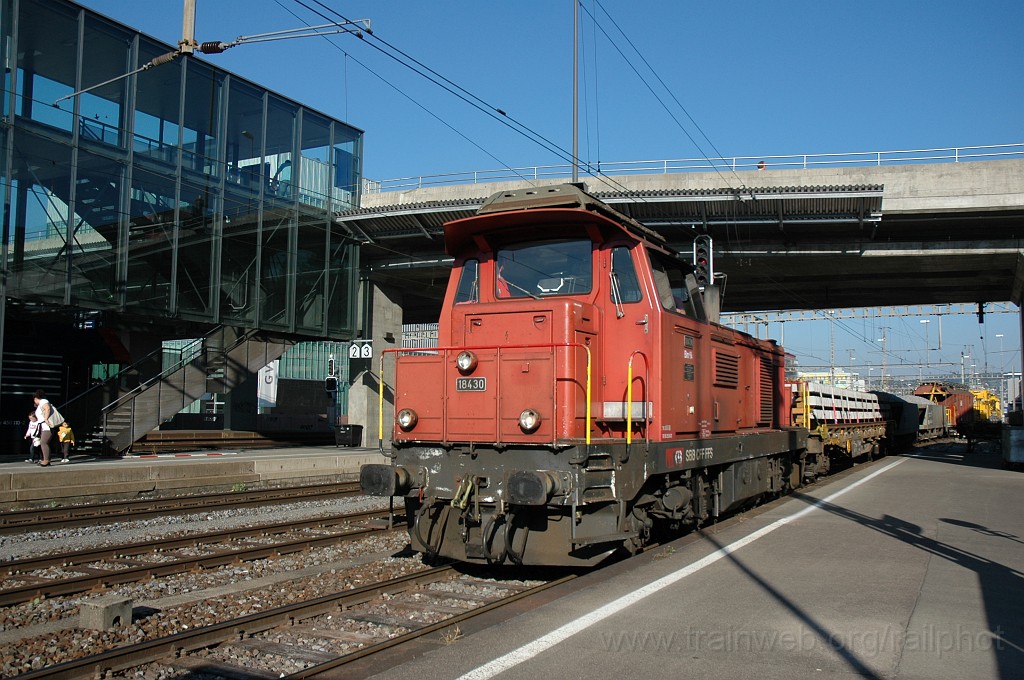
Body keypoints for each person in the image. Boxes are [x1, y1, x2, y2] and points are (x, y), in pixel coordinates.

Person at [32, 389, 55, 467]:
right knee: (44, 443)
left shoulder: (43, 401)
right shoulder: (42, 403)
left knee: (43, 442)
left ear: (36, 398)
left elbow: (47, 408)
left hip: (47, 427)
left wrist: (45, 418)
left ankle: (46, 460)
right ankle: (46, 459)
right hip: (44, 427)